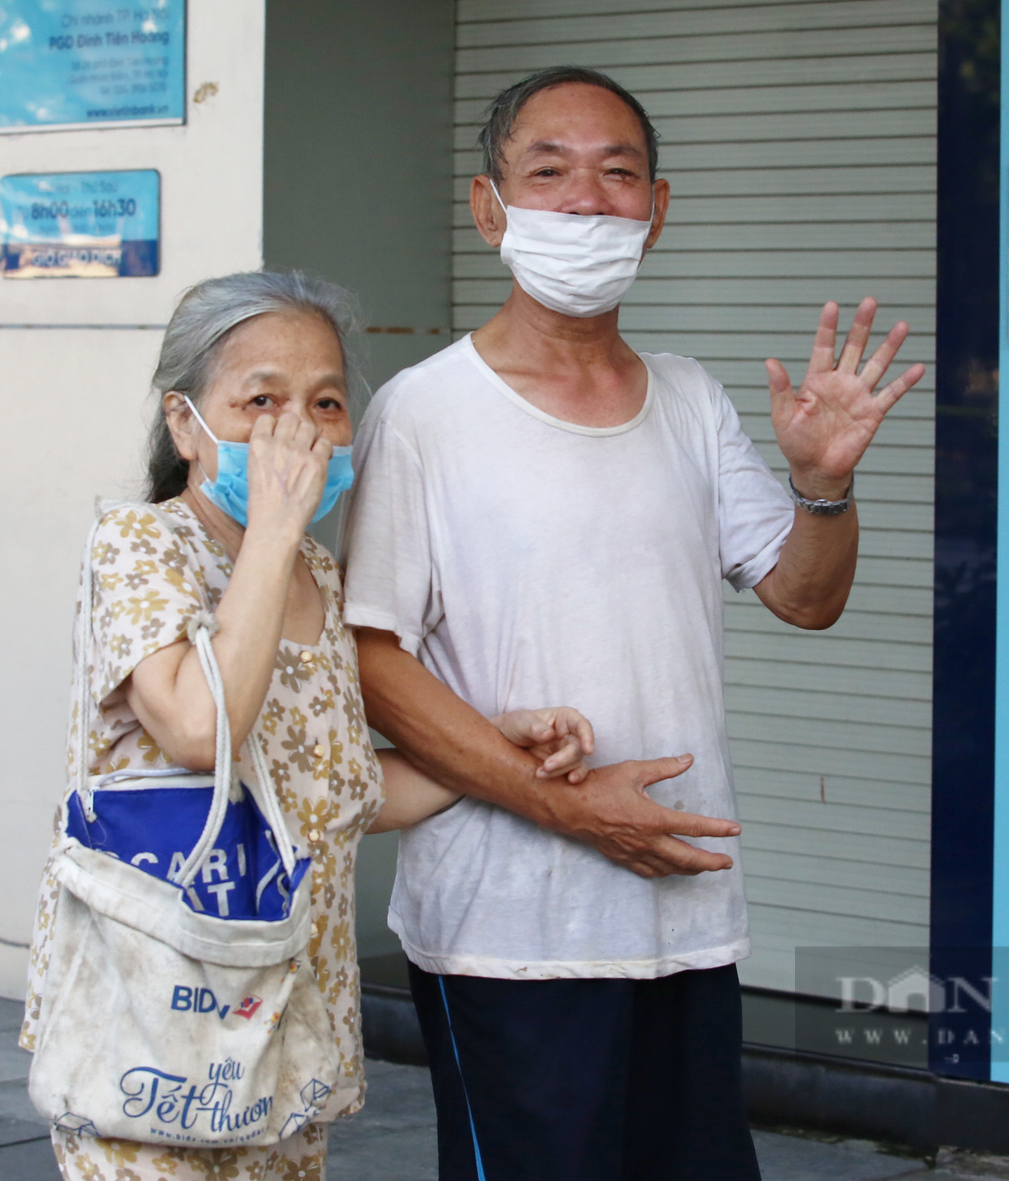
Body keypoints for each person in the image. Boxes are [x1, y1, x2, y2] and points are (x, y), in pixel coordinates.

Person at [342, 68, 926, 1181]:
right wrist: (568, 808)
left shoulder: (690, 398)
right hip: (508, 934)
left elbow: (804, 596)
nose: (585, 202)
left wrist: (824, 487)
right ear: (488, 206)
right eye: (547, 172)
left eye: (617, 175)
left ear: (658, 210)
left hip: (683, 912)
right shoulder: (422, 411)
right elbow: (371, 662)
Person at [19, 271, 592, 1181]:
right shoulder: (138, 545)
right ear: (184, 426)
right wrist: (276, 528)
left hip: (282, 1027)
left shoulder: (319, 580)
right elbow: (201, 731)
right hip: (149, 1028)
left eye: (325, 401)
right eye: (261, 401)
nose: (300, 429)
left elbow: (344, 793)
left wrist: (488, 747)